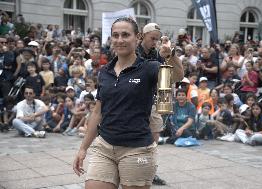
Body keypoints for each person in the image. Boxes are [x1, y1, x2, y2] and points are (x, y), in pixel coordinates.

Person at [73, 17, 167, 189]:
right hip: (105, 147)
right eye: (115, 35)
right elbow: (97, 112)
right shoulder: (105, 71)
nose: (120, 40)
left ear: (137, 37)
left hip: (137, 149)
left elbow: (175, 76)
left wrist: (171, 56)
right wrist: (83, 148)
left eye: (125, 35)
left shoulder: (150, 67)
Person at [137, 22, 184, 185]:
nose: (155, 42)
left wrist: (170, 55)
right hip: (134, 105)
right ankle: (131, 172)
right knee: (135, 143)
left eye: (158, 39)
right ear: (142, 36)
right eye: (152, 38)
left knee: (153, 142)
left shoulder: (159, 54)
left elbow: (176, 77)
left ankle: (150, 173)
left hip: (152, 104)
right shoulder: (133, 52)